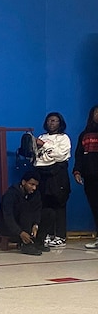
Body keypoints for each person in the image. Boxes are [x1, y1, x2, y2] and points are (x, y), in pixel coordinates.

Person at [33, 112, 71, 247]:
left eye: (54, 120)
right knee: (45, 205)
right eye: (49, 120)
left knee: (59, 204)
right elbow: (37, 157)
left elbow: (60, 155)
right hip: (42, 173)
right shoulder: (42, 137)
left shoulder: (64, 138)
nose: (51, 123)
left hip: (58, 174)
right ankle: (47, 234)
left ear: (60, 122)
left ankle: (60, 236)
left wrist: (44, 145)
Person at [0, 169, 53, 256]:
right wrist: (20, 232)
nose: (34, 188)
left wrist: (36, 224)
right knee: (25, 208)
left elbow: (37, 210)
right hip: (10, 227)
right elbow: (8, 217)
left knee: (49, 213)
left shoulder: (35, 194)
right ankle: (26, 245)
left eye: (36, 185)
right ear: (23, 182)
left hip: (27, 224)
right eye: (31, 184)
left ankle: (38, 242)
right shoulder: (11, 194)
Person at [72, 105, 98, 249]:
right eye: (96, 113)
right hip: (91, 177)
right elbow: (79, 155)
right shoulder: (84, 135)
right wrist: (77, 172)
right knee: (95, 207)